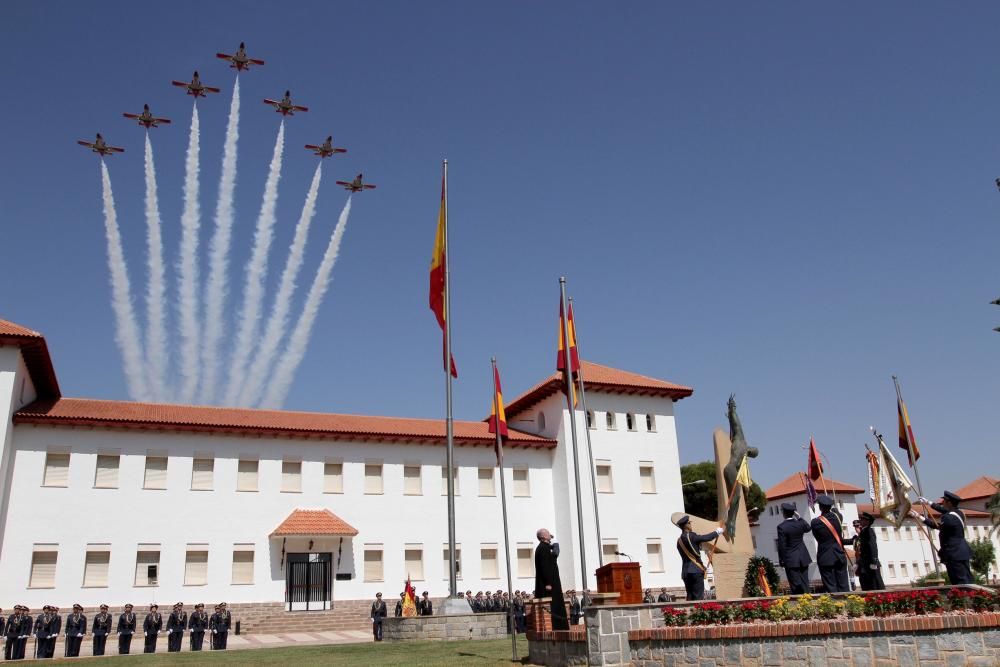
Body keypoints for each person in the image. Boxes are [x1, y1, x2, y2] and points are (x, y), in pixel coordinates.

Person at [913, 491, 974, 585]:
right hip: (962, 551)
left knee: (959, 581)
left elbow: (938, 527)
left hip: (953, 553)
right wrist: (928, 503)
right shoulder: (959, 513)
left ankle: (965, 599)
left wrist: (921, 518)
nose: (942, 503)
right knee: (967, 578)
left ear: (949, 503)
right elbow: (944, 510)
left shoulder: (948, 518)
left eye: (944, 501)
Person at [676, 515, 724, 601]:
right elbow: (705, 538)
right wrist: (717, 532)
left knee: (690, 597)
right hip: (695, 571)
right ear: (686, 525)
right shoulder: (691, 536)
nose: (691, 524)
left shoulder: (679, 541)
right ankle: (697, 613)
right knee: (698, 597)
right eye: (689, 523)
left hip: (685, 572)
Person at [811, 495, 850, 593]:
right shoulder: (838, 517)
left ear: (820, 507)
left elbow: (818, 538)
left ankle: (835, 606)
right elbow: (837, 514)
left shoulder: (816, 522)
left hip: (825, 555)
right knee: (843, 584)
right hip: (839, 554)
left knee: (830, 586)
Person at [533, 527, 569, 630]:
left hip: (552, 582)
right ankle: (557, 627)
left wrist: (555, 545)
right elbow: (545, 566)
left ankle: (560, 626)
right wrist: (548, 583)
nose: (550, 535)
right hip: (549, 585)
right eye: (548, 533)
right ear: (544, 536)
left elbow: (552, 558)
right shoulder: (543, 548)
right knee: (554, 606)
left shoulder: (545, 547)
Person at [776, 501, 812, 594]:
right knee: (805, 583)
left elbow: (782, 546)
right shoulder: (799, 524)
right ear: (793, 513)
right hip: (803, 557)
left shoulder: (782, 527)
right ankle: (809, 602)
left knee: (795, 585)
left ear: (783, 513)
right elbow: (808, 528)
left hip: (791, 559)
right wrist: (799, 517)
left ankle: (800, 605)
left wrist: (782, 561)